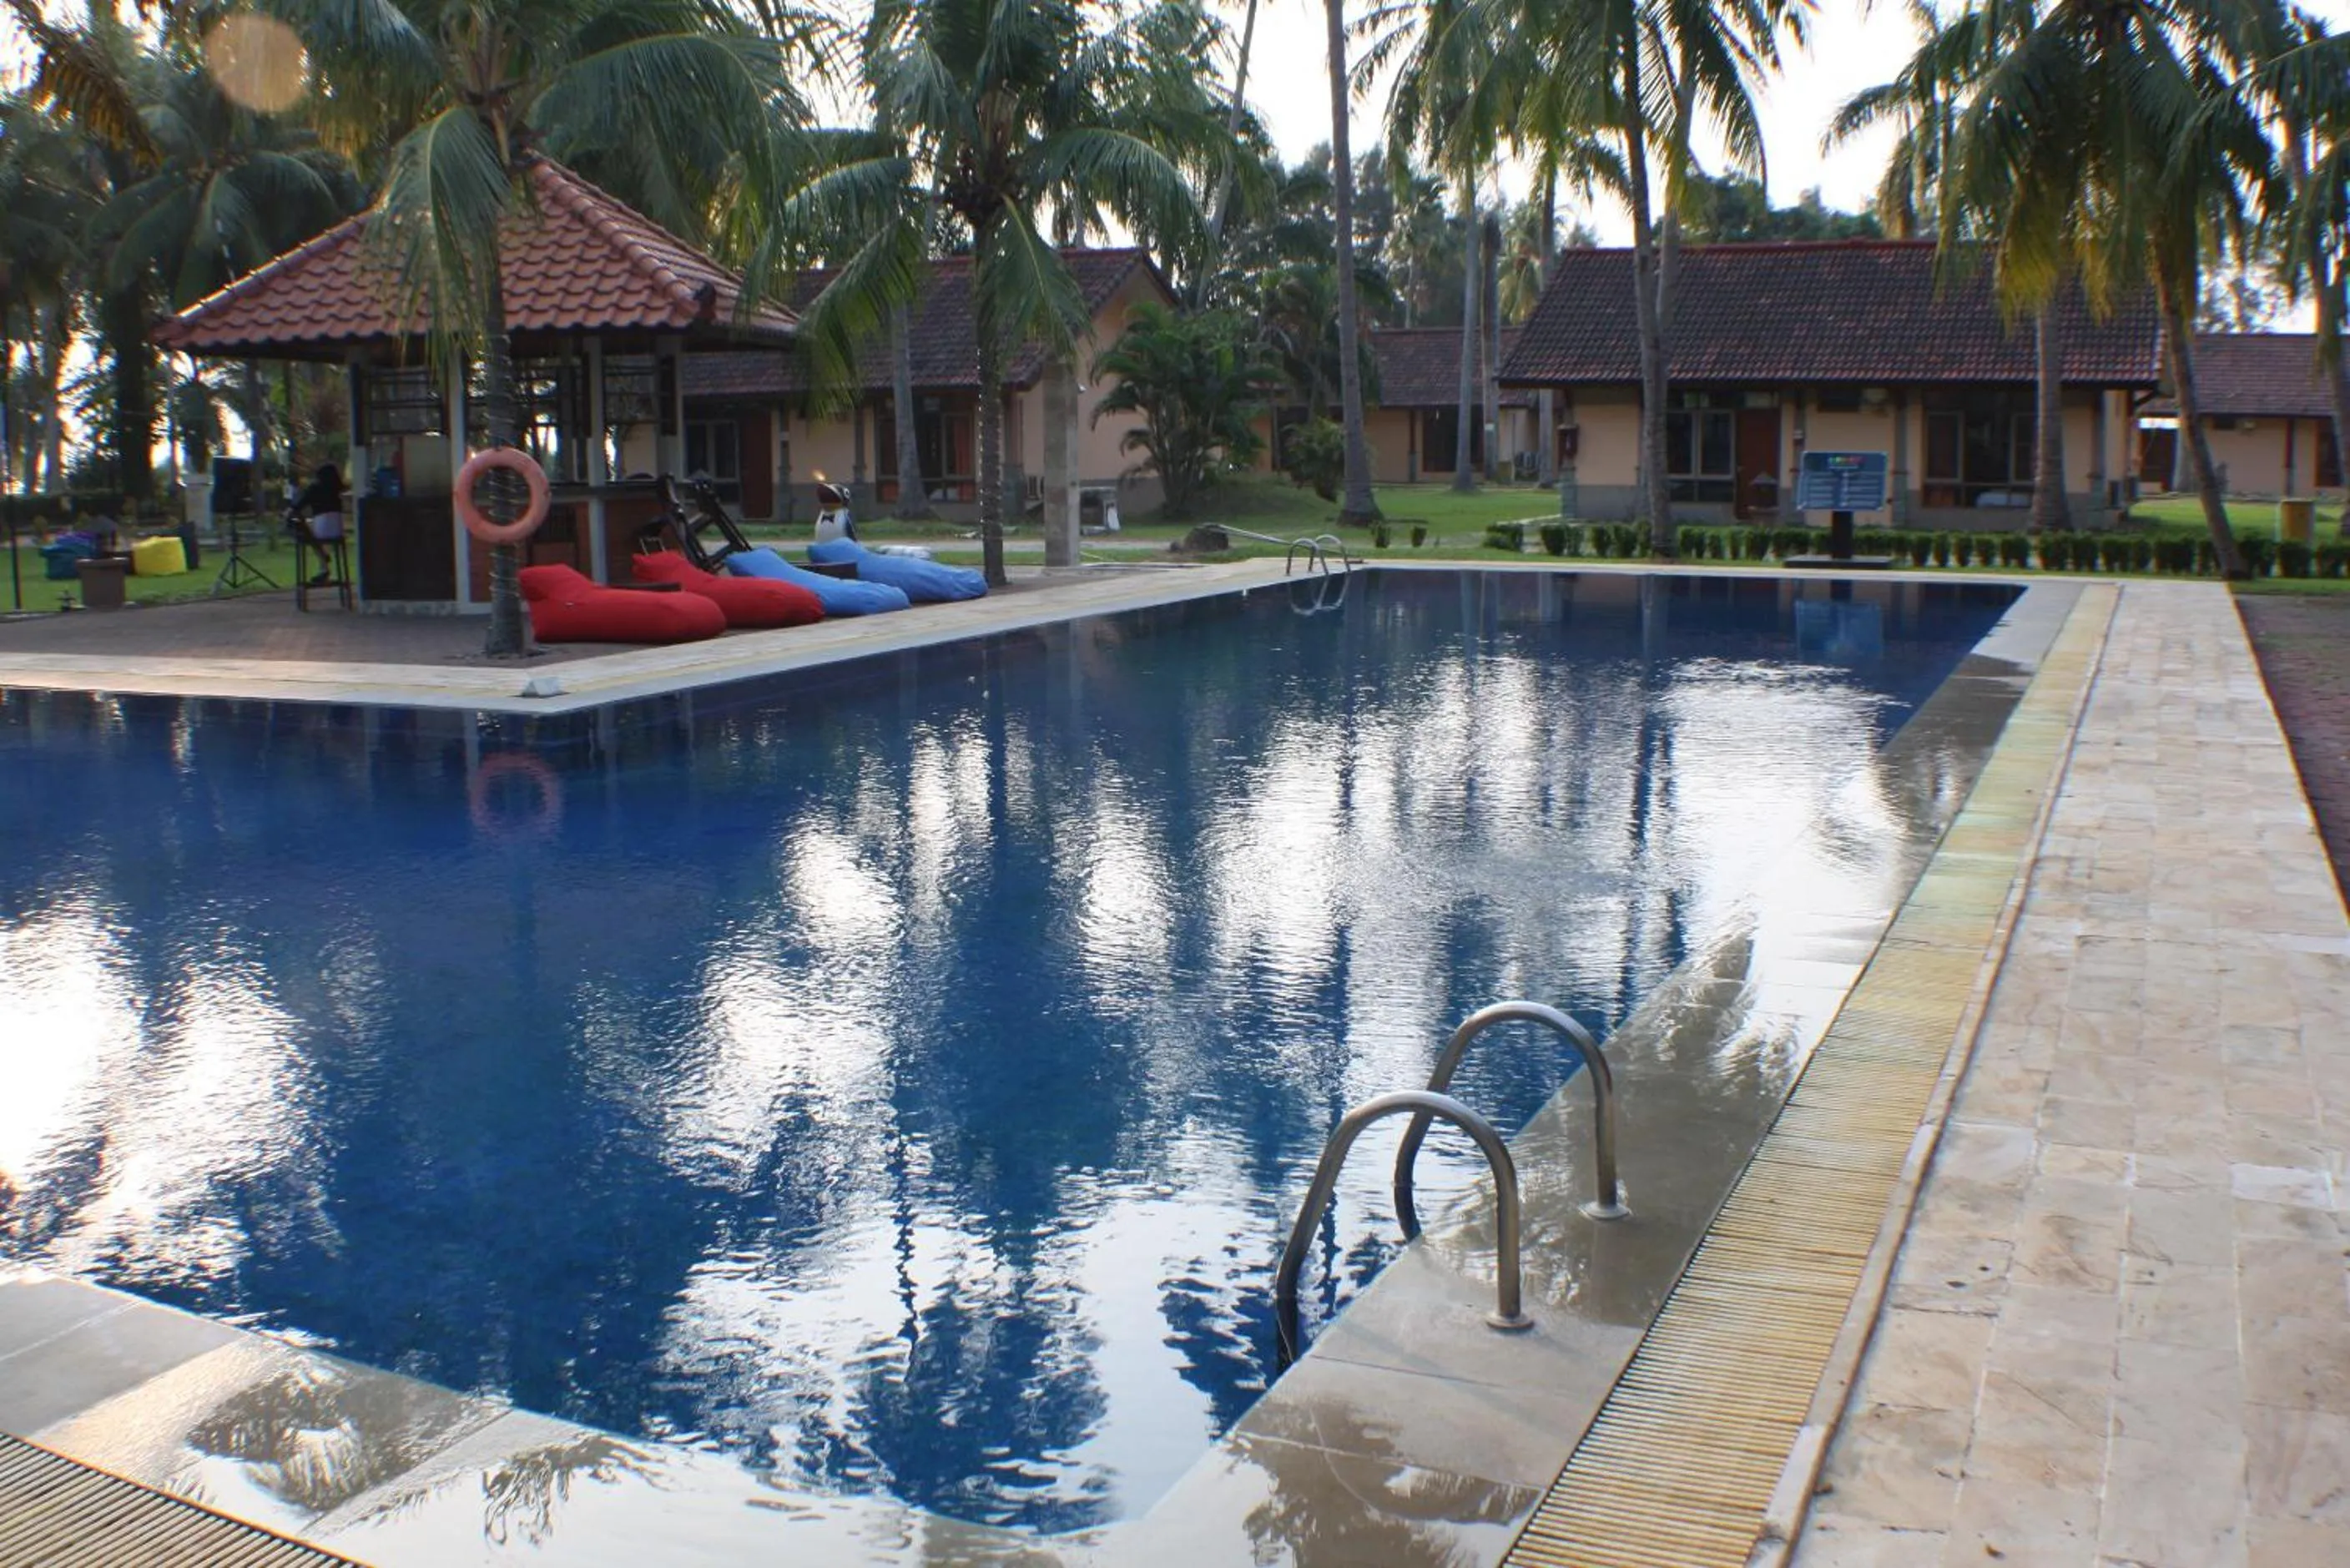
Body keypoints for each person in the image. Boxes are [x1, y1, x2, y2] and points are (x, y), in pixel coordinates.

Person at [295, 464, 344, 586]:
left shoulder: (315, 488)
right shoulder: (337, 489)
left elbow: (299, 506)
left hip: (322, 526)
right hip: (337, 527)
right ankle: (323, 564)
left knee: (298, 524)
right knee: (307, 529)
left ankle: (322, 556)